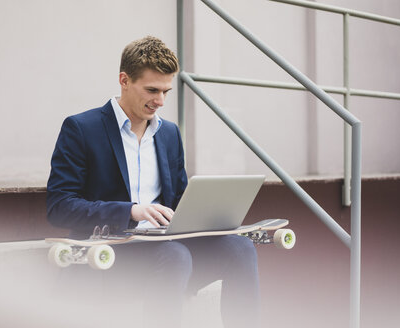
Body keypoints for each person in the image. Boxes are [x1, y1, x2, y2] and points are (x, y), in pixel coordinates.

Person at [47, 36, 259, 328]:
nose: (159, 101)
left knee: (241, 248)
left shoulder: (169, 133)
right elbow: (59, 206)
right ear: (124, 80)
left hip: (166, 247)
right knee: (174, 255)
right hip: (111, 252)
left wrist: (213, 213)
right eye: (151, 90)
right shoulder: (81, 128)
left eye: (166, 92)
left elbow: (180, 200)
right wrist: (131, 211)